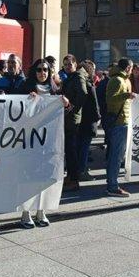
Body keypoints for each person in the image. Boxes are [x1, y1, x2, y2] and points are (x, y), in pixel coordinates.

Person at [18, 59, 70, 227]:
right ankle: (26, 213)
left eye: (46, 70)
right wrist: (26, 100)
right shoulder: (26, 88)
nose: (43, 73)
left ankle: (41, 211)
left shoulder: (55, 90)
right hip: (31, 140)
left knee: (45, 176)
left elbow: (63, 112)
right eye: (39, 70)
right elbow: (15, 109)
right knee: (28, 176)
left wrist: (67, 104)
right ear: (34, 71)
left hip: (49, 141)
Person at [105, 58, 136, 197]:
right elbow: (110, 100)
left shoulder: (125, 80)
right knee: (116, 156)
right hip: (119, 122)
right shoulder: (117, 80)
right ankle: (112, 185)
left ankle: (112, 183)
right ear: (128, 67)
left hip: (124, 121)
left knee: (118, 155)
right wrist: (126, 95)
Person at [60, 54, 89, 191]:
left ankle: (74, 179)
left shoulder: (77, 76)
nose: (67, 67)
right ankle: (71, 176)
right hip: (69, 117)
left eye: (69, 64)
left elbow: (83, 94)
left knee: (71, 150)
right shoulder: (71, 77)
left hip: (72, 119)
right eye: (65, 64)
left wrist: (72, 107)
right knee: (69, 149)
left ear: (75, 64)